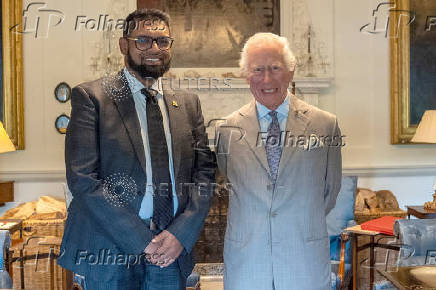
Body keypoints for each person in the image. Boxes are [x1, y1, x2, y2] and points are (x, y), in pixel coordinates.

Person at [58, 9, 216, 290]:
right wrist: (142, 241)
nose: (154, 49)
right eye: (142, 40)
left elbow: (204, 173)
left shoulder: (188, 103)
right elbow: (83, 179)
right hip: (109, 251)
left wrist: (181, 234)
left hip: (171, 252)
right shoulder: (91, 97)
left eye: (162, 41)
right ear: (123, 45)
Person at [215, 33, 342, 290]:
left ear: (291, 71)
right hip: (247, 262)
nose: (267, 79)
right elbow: (230, 183)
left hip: (304, 259)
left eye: (275, 68)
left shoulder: (325, 125)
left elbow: (329, 192)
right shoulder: (226, 129)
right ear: (245, 74)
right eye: (258, 69)